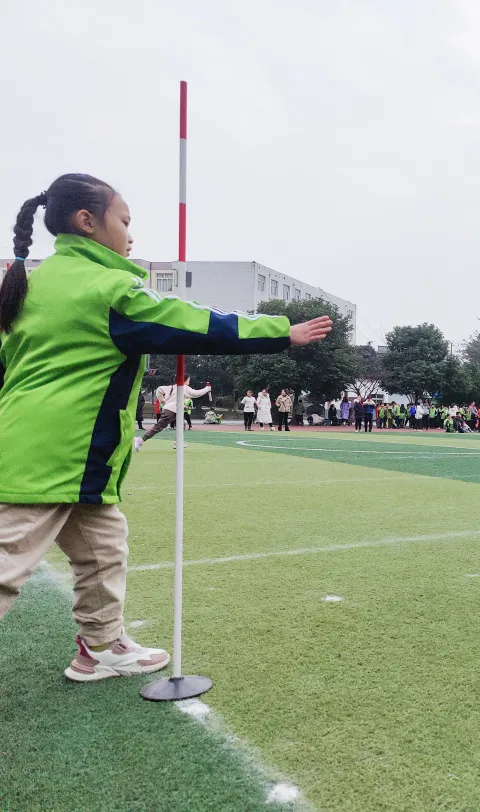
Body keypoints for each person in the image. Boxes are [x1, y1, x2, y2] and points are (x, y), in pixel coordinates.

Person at [0, 173, 333, 681]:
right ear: (86, 222)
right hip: (51, 455)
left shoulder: (31, 281)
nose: (131, 234)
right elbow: (189, 322)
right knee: (7, 566)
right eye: (124, 221)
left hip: (64, 455)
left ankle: (101, 646)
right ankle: (102, 643)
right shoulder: (107, 287)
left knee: (103, 550)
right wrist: (279, 332)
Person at [137, 376, 210, 450]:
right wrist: (207, 389)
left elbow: (159, 390)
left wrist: (161, 399)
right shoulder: (184, 387)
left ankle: (178, 442)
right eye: (188, 380)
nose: (189, 382)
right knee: (158, 427)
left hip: (175, 411)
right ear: (184, 380)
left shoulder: (171, 387)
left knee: (182, 426)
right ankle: (141, 440)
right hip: (170, 411)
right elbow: (196, 393)